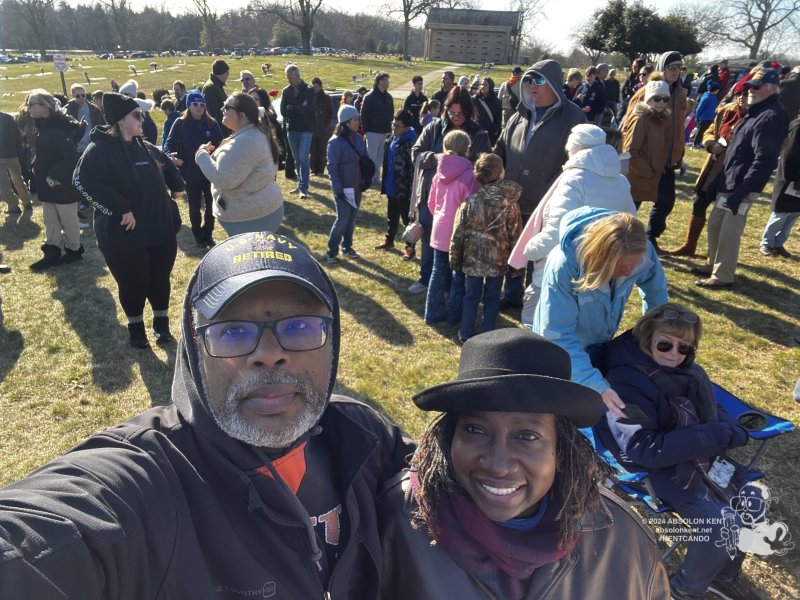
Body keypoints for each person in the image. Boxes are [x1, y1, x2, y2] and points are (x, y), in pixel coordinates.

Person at [0, 231, 414, 597]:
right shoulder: (148, 479)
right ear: (196, 352)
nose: (270, 356)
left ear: (332, 341)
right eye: (232, 332)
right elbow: (38, 537)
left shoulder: (365, 435)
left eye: (299, 327)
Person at [378, 328, 670, 600]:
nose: (498, 465)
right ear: (449, 437)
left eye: (527, 436)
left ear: (562, 448)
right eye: (476, 430)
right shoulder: (399, 519)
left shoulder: (624, 540)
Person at [597, 303, 758, 600]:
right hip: (655, 469)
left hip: (694, 456)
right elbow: (644, 448)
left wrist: (727, 426)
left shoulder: (690, 372)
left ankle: (721, 574)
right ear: (647, 337)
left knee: (754, 499)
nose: (673, 353)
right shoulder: (625, 382)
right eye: (665, 344)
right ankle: (682, 590)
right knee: (719, 523)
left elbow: (710, 409)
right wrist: (714, 434)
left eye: (684, 347)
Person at [532, 207, 668, 416]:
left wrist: (655, 333)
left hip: (598, 343)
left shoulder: (641, 250)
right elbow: (557, 335)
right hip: (560, 355)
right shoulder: (564, 265)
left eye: (634, 265)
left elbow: (655, 293)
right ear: (600, 258)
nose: (630, 272)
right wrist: (595, 384)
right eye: (621, 266)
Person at [73, 92, 185, 347]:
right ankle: (136, 328)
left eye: (142, 114)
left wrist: (177, 184)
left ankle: (161, 324)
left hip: (159, 229)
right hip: (124, 234)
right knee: (134, 283)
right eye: (137, 115)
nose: (142, 119)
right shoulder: (98, 149)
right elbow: (81, 181)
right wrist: (120, 208)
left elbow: (163, 160)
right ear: (121, 120)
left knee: (159, 279)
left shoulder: (143, 145)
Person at [510, 124, 635, 325]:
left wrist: (530, 250)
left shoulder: (573, 180)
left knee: (538, 330)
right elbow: (631, 227)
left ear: (573, 149)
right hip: (599, 272)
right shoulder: (620, 181)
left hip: (560, 273)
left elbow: (558, 231)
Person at [495, 59, 587, 311]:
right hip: (513, 199)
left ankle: (533, 299)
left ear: (555, 85)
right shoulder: (518, 116)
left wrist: (552, 184)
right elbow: (501, 147)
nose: (531, 86)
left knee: (539, 254)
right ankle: (512, 295)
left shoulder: (573, 117)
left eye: (538, 80)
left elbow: (579, 160)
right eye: (528, 80)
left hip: (548, 202)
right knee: (513, 249)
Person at [695, 68, 789, 289]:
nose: (750, 91)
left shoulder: (772, 116)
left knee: (730, 230)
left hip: (743, 185)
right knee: (716, 224)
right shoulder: (755, 111)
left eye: (756, 87)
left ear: (772, 88)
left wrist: (742, 192)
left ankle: (723, 275)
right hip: (729, 180)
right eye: (749, 87)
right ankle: (713, 264)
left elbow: (764, 160)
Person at [408, 87, 490, 296]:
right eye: (452, 113)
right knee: (430, 239)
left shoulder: (479, 134)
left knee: (460, 244)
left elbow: (485, 165)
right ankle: (427, 278)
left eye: (460, 114)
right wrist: (437, 159)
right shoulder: (434, 128)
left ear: (469, 112)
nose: (456, 118)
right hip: (431, 195)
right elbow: (416, 154)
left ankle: (453, 287)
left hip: (463, 200)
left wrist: (463, 166)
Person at [670, 83, 749, 257]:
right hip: (713, 167)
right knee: (699, 202)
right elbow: (711, 131)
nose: (742, 97)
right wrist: (711, 144)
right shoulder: (727, 110)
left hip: (733, 171)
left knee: (722, 212)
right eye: (739, 94)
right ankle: (690, 245)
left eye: (746, 94)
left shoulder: (755, 116)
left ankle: (715, 253)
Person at [450, 153, 521, 342]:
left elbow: (458, 234)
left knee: (471, 296)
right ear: (500, 174)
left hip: (473, 259)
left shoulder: (470, 202)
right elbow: (515, 235)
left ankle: (466, 332)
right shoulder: (509, 204)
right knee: (492, 297)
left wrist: (455, 259)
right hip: (497, 260)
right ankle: (487, 332)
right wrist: (516, 265)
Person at [624, 51, 689, 253]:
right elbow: (630, 127)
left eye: (679, 67)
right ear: (662, 67)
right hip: (644, 161)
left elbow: (679, 129)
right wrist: (642, 164)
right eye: (672, 66)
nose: (676, 71)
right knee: (631, 203)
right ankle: (620, 240)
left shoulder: (679, 94)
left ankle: (651, 237)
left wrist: (679, 156)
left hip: (666, 163)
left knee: (666, 202)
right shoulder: (646, 93)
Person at [195, 93, 283, 237]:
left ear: (241, 115)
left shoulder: (243, 143)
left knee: (251, 258)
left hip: (249, 219)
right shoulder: (257, 131)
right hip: (264, 210)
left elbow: (223, 179)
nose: (222, 109)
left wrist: (201, 154)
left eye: (227, 107)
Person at [424, 129, 480, 325]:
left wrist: (441, 216)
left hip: (439, 228)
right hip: (459, 231)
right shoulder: (469, 176)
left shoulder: (438, 174)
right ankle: (454, 315)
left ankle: (432, 312)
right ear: (466, 149)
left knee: (437, 271)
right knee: (458, 276)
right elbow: (472, 206)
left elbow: (431, 202)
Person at [25, 90, 84, 271]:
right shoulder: (43, 126)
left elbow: (71, 158)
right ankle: (52, 250)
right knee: (50, 219)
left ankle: (74, 250)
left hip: (61, 184)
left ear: (45, 107)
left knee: (68, 220)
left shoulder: (57, 129)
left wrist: (53, 175)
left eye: (32, 104)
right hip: (48, 184)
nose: (28, 108)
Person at [165, 88, 223, 247]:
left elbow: (221, 144)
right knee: (194, 206)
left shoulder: (211, 123)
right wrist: (172, 157)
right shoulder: (181, 123)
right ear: (189, 105)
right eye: (195, 104)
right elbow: (168, 144)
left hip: (210, 171)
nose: (199, 107)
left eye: (202, 104)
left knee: (212, 204)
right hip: (190, 172)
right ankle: (197, 233)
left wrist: (208, 150)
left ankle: (208, 232)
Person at [325, 105, 367, 264]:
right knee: (342, 220)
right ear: (346, 122)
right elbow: (332, 167)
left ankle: (347, 247)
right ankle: (332, 251)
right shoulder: (335, 142)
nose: (358, 122)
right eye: (355, 119)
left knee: (351, 219)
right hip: (343, 188)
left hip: (356, 187)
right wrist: (338, 189)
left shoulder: (357, 138)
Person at [622, 80, 671, 208]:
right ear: (649, 99)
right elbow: (630, 151)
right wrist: (648, 172)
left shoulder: (659, 119)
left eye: (665, 99)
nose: (661, 102)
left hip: (646, 179)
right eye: (657, 98)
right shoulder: (640, 119)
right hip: (636, 179)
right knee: (624, 216)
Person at [376, 109, 417, 256]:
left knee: (407, 220)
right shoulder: (392, 139)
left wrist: (412, 192)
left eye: (398, 126)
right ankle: (389, 239)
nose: (394, 128)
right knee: (391, 215)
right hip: (391, 185)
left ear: (406, 127)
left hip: (404, 189)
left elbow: (413, 171)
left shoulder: (411, 143)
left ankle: (410, 247)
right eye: (393, 124)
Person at [761, 116, 800, 256]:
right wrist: (792, 178)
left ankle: (778, 243)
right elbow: (789, 154)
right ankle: (767, 243)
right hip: (791, 178)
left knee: (794, 214)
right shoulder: (797, 127)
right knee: (781, 212)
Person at [281, 64, 316, 199]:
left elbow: (309, 110)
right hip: (292, 129)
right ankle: (300, 184)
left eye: (290, 77)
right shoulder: (286, 91)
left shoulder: (309, 90)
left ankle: (304, 187)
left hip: (306, 129)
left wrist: (292, 108)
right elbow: (284, 111)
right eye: (287, 78)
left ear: (297, 76)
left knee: (303, 157)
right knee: (296, 159)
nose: (288, 80)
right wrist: (300, 107)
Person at [361, 72, 393, 186]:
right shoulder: (370, 96)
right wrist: (366, 130)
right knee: (371, 156)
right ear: (379, 81)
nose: (387, 82)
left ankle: (376, 177)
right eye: (385, 80)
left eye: (388, 80)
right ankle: (368, 177)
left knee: (380, 156)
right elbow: (363, 114)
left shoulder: (388, 97)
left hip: (384, 131)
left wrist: (390, 129)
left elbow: (391, 113)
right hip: (373, 132)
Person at [0, 111, 32, 214]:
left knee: (4, 184)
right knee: (18, 179)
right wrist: (18, 152)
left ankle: (13, 206)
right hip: (13, 154)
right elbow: (17, 136)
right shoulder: (8, 118)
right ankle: (27, 202)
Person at [64, 83, 106, 154]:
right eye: (78, 96)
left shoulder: (94, 109)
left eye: (83, 95)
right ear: (73, 95)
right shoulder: (67, 110)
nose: (81, 97)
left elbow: (103, 126)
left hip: (92, 146)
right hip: (75, 147)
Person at [310, 77, 333, 177]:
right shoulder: (310, 96)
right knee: (313, 150)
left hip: (323, 128)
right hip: (312, 128)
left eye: (316, 87)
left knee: (322, 150)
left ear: (320, 87)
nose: (314, 88)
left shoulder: (326, 98)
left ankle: (320, 169)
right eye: (313, 86)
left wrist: (325, 125)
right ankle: (313, 169)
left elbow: (330, 113)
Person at [202, 59, 230, 134]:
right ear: (222, 72)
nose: (228, 75)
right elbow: (212, 113)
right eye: (227, 72)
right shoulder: (211, 88)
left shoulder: (217, 85)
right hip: (218, 131)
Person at [473, 76, 502, 145]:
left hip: (489, 134)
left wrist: (494, 131)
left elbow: (498, 118)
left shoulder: (496, 102)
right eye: (482, 84)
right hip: (476, 132)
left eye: (485, 85)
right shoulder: (474, 100)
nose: (483, 86)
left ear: (490, 87)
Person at [693, 81, 720, 147]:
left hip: (710, 118)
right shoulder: (706, 97)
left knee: (705, 131)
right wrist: (697, 117)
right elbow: (699, 108)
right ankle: (696, 143)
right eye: (717, 90)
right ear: (714, 90)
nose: (718, 91)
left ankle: (701, 143)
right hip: (703, 118)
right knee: (700, 131)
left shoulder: (713, 97)